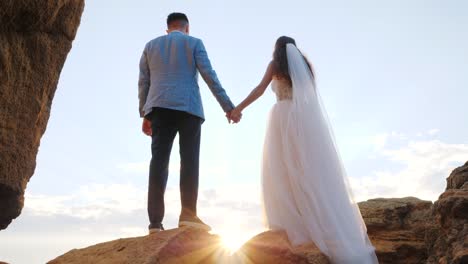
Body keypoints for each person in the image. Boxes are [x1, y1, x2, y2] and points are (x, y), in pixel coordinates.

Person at [229, 36, 379, 264]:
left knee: (281, 171)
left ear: (277, 49)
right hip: (303, 120)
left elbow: (260, 89)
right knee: (307, 170)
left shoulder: (275, 64)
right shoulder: (305, 66)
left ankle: (293, 225)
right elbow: (310, 96)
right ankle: (318, 222)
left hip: (281, 117)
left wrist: (238, 108)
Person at [138, 12, 240, 234]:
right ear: (187, 28)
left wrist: (145, 114)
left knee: (158, 163)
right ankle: (188, 215)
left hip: (159, 108)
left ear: (167, 29)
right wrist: (228, 107)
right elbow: (209, 76)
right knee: (189, 161)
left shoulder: (151, 45)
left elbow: (144, 82)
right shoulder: (194, 43)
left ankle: (155, 223)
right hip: (189, 109)